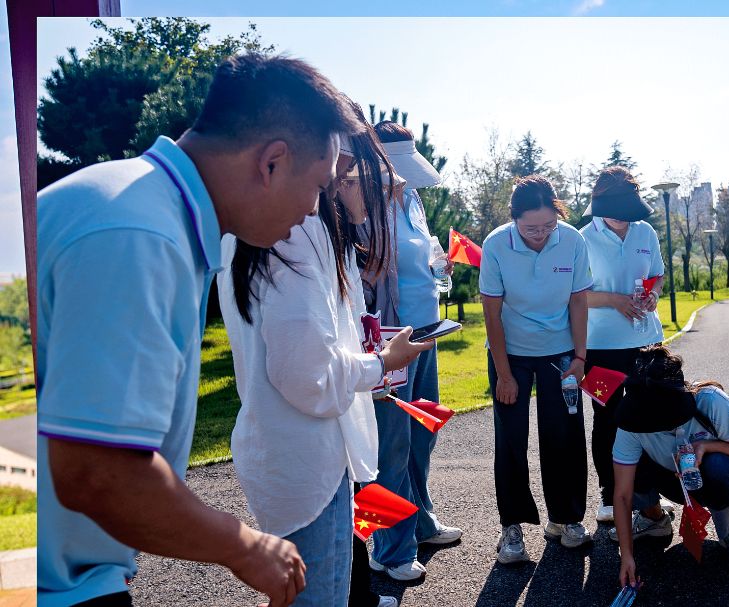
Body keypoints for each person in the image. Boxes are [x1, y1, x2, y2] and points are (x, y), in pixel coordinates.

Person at [36, 54, 362, 607]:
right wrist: (244, 547)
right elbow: (96, 472)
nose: (314, 211)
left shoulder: (141, 206)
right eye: (317, 186)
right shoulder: (141, 234)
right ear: (273, 162)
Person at [217, 113, 429, 607]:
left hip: (299, 452)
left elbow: (328, 328)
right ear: (334, 163)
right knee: (319, 594)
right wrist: (382, 363)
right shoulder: (294, 232)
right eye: (353, 177)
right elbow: (309, 375)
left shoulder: (270, 224)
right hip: (309, 456)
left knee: (313, 590)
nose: (363, 191)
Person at [360, 121, 462, 583]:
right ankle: (387, 546)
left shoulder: (413, 200)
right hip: (390, 338)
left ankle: (420, 521)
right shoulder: (364, 204)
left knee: (422, 434)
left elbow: (415, 256)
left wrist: (436, 262)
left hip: (427, 332)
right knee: (390, 445)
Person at [479, 174, 592, 564]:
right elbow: (491, 315)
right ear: (514, 220)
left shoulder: (573, 241)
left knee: (564, 436)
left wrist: (579, 358)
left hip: (560, 351)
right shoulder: (496, 244)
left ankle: (566, 520)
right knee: (511, 439)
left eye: (548, 225)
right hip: (510, 352)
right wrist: (505, 374)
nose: (540, 234)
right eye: (530, 228)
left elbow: (579, 302)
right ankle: (511, 528)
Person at [614, 345, 729, 588]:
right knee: (627, 465)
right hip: (674, 479)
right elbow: (622, 494)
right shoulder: (632, 420)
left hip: (727, 477)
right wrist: (626, 556)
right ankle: (654, 520)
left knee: (719, 466)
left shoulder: (710, 400)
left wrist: (706, 446)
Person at [578, 166, 665, 524]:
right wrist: (614, 300)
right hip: (599, 347)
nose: (619, 218)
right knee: (607, 418)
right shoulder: (581, 238)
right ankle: (609, 494)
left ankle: (648, 494)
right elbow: (577, 295)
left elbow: (656, 275)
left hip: (647, 343)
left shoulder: (645, 232)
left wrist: (654, 294)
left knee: (650, 416)